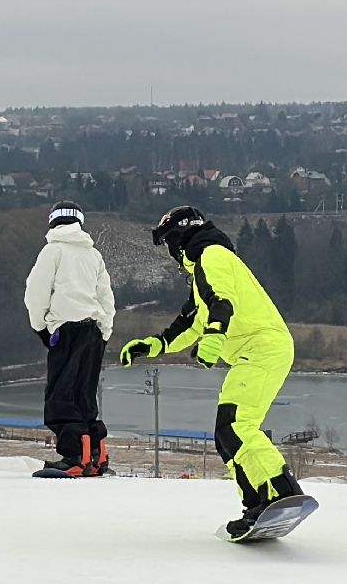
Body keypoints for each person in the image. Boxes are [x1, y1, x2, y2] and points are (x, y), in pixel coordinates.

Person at [120, 206, 306, 536]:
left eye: (167, 244)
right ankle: (257, 505)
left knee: (236, 425)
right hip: (256, 352)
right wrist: (154, 345)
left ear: (178, 239)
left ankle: (283, 492)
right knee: (226, 434)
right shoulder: (204, 265)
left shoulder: (212, 255)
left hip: (263, 348)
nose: (170, 253)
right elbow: (190, 322)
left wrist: (216, 336)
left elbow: (222, 302)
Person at [24, 201, 116, 476]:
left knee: (60, 396)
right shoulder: (93, 256)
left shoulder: (52, 251)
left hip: (66, 329)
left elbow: (35, 293)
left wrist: (41, 328)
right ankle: (97, 458)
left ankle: (74, 458)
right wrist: (105, 331)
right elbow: (106, 297)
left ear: (52, 221)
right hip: (94, 331)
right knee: (85, 396)